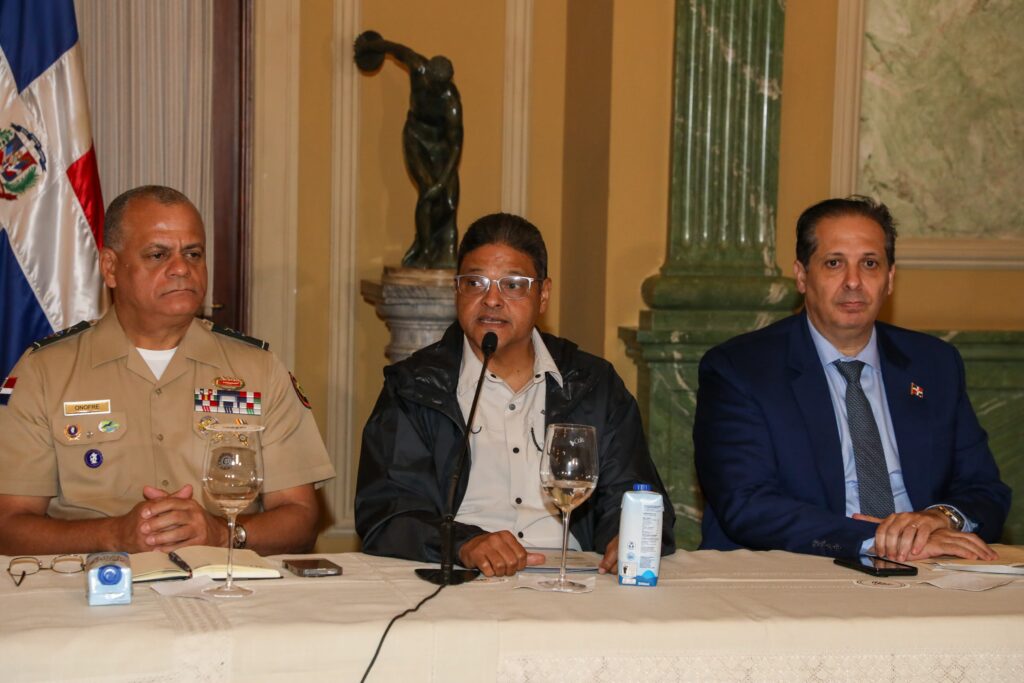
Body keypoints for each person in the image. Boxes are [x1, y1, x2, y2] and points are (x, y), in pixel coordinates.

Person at [0, 185, 335, 556]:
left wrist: (220, 534)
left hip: (222, 583)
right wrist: (113, 535)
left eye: (193, 254)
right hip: (95, 582)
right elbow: (9, 524)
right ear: (110, 267)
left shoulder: (257, 369)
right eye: (158, 255)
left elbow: (301, 518)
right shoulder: (45, 372)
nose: (181, 268)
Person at [356, 213, 675, 576]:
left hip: (574, 582)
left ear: (543, 295)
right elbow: (386, 512)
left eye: (513, 285)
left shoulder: (592, 384)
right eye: (475, 283)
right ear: (457, 291)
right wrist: (462, 543)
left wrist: (625, 534)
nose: (491, 299)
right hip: (463, 579)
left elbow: (634, 492)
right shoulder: (415, 385)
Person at [694, 196, 1010, 561]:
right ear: (802, 276)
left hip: (930, 565)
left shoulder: (934, 364)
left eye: (870, 264)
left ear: (890, 278)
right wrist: (879, 539)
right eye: (834, 263)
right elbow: (747, 504)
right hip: (803, 567)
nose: (854, 282)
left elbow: (986, 490)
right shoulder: (740, 369)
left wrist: (941, 518)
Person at [354, 30, 462, 269]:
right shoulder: (417, 67)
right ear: (428, 75)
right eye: (435, 84)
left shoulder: (451, 103)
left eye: (443, 86)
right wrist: (372, 47)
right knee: (427, 190)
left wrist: (443, 181)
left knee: (449, 200)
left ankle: (442, 250)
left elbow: (456, 145)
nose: (438, 90)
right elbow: (396, 49)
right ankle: (425, 249)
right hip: (416, 139)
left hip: (441, 148)